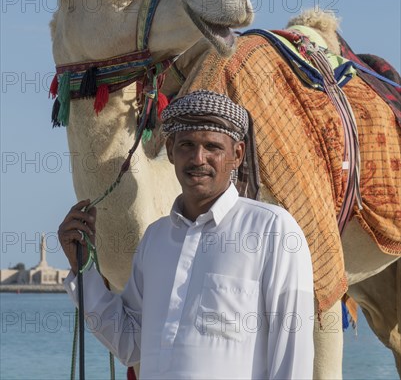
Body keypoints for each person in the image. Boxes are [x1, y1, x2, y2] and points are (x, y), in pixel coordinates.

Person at [59, 90, 314, 380]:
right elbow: (129, 344)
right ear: (170, 149)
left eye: (213, 147)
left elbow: (293, 356)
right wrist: (84, 269)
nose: (198, 158)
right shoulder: (155, 239)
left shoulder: (273, 230)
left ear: (237, 154)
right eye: (187, 145)